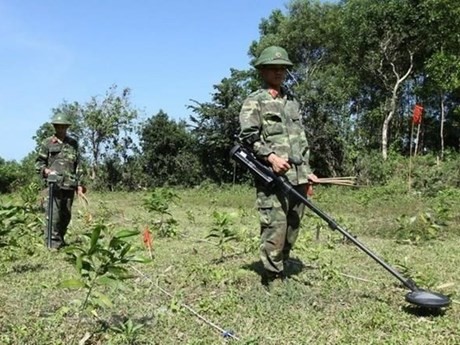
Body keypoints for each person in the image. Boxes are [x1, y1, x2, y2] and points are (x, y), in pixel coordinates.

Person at [238, 45, 319, 286]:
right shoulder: (254, 101)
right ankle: (272, 276)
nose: (279, 72)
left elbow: (301, 138)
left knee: (293, 225)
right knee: (276, 225)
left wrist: (308, 171)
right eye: (273, 68)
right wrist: (271, 157)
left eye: (283, 68)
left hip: (298, 176)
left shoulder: (292, 101)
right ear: (262, 71)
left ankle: (283, 262)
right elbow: (247, 138)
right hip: (272, 176)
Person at [35, 113, 85, 249]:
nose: (61, 129)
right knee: (53, 214)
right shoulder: (47, 143)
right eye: (58, 126)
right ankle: (52, 244)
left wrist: (80, 185)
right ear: (54, 127)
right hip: (54, 185)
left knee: (66, 215)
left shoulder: (73, 143)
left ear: (67, 127)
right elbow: (39, 163)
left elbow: (78, 165)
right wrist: (45, 171)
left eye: (63, 126)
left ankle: (60, 239)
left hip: (69, 184)